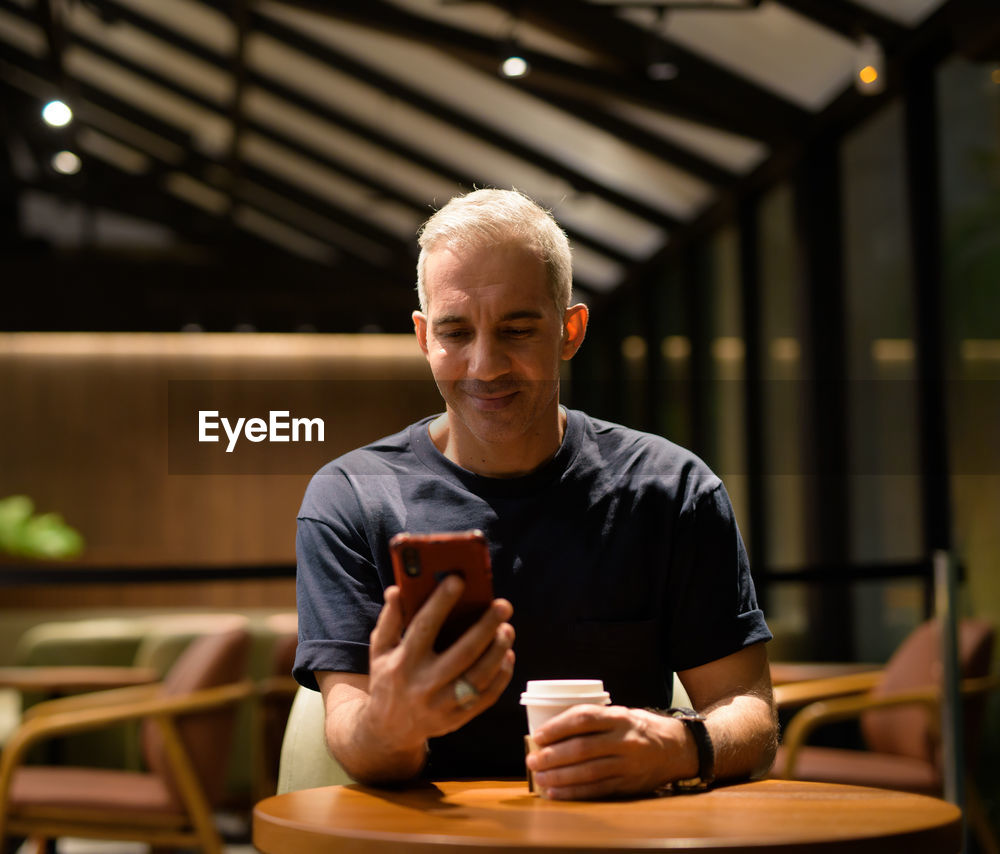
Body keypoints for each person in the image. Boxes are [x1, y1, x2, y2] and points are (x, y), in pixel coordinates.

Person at [292, 188, 776, 798]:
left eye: (517, 330)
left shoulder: (671, 489)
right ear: (422, 337)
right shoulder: (353, 498)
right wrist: (392, 727)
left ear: (570, 331)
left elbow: (749, 711)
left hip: (619, 837)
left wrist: (675, 746)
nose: (485, 364)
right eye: (456, 332)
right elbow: (353, 736)